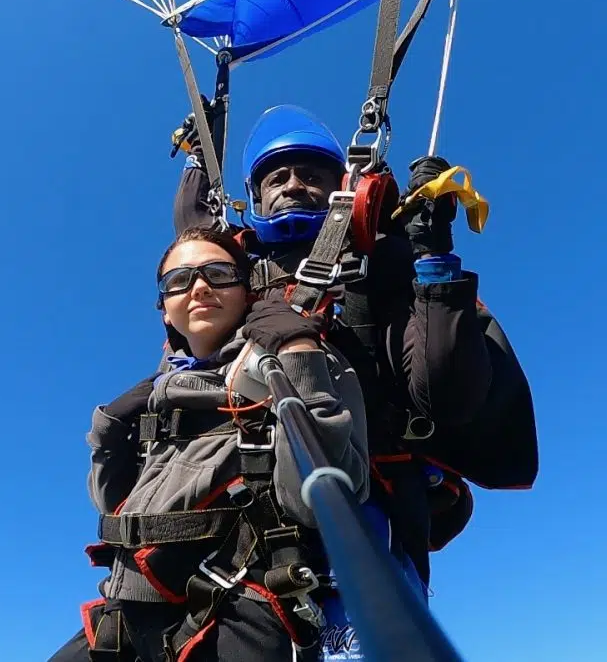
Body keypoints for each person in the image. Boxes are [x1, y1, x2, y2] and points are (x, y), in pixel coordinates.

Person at [171, 103, 539, 589]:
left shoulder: (383, 263)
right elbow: (196, 225)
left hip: (370, 508)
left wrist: (431, 256)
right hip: (238, 508)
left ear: (342, 185)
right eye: (276, 177)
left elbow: (448, 394)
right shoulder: (234, 274)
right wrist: (201, 157)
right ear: (255, 197)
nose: (293, 184)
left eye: (311, 174)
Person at [50, 226, 371, 662]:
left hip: (236, 610)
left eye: (218, 273)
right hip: (123, 617)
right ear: (164, 309)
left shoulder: (287, 361)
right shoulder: (159, 396)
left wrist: (297, 352)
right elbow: (116, 510)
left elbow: (318, 502)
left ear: (246, 292)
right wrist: (107, 436)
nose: (199, 287)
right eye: (179, 281)